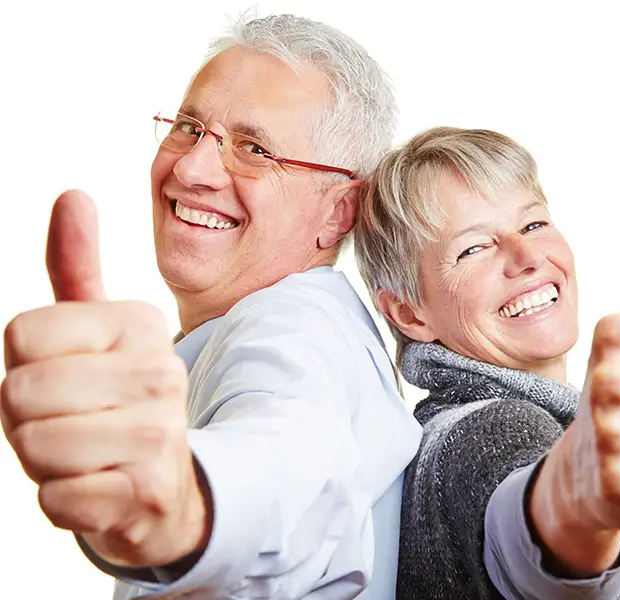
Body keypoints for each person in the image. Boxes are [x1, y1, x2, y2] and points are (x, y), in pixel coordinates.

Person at [1, 14, 422, 600]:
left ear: (338, 213)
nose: (191, 168)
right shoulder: (263, 328)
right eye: (188, 127)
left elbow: (290, 464)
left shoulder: (296, 329)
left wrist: (178, 508)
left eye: (255, 149)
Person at [354, 127, 620, 599]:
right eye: (474, 248)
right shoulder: (487, 431)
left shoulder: (435, 434)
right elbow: (534, 539)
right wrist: (583, 497)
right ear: (408, 312)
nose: (527, 257)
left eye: (532, 225)